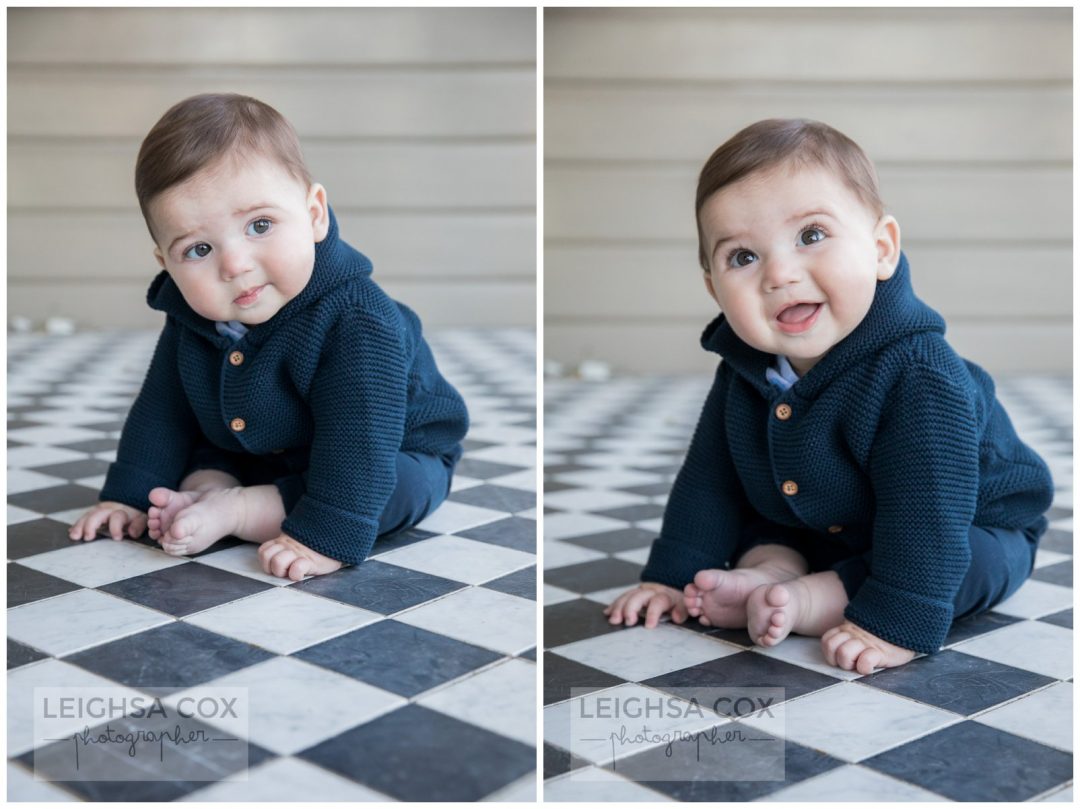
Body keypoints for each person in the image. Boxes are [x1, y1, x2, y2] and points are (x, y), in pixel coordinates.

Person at [604, 119, 1053, 675]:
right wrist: (672, 576)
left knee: (966, 564)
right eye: (743, 257)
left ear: (881, 248)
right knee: (762, 526)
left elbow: (927, 512)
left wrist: (894, 622)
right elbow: (709, 479)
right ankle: (772, 574)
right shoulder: (747, 372)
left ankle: (811, 600)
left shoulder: (919, 373)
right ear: (712, 288)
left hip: (965, 526)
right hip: (820, 524)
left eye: (811, 236)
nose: (780, 274)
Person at [69, 93, 468, 582]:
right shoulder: (192, 318)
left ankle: (237, 510)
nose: (234, 264)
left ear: (315, 214)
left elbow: (359, 438)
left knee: (392, 490)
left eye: (260, 225)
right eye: (198, 249)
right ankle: (206, 494)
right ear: (166, 265)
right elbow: (162, 409)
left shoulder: (357, 319)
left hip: (387, 451)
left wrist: (325, 536)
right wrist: (128, 494)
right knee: (199, 451)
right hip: (258, 449)